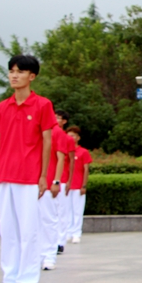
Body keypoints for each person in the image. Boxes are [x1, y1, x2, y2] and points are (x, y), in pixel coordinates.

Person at [0, 55, 57, 283]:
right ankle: (10, 282)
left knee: (28, 231)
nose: (14, 75)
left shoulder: (42, 105)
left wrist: (42, 176)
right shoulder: (2, 107)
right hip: (4, 176)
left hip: (28, 177)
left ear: (32, 76)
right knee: (8, 231)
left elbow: (47, 141)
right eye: (11, 71)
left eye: (20, 71)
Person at [38, 114, 69, 271]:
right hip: (32, 182)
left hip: (49, 181)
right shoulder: (37, 130)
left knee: (48, 219)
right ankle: (38, 255)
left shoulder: (57, 133)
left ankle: (49, 256)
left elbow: (61, 158)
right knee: (35, 220)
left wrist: (56, 181)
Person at [65, 127, 92, 244]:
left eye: (73, 136)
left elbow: (86, 170)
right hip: (66, 186)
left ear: (78, 138)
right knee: (66, 211)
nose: (71, 138)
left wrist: (84, 185)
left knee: (77, 211)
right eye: (69, 135)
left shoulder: (83, 152)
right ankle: (67, 232)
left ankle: (76, 233)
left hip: (78, 186)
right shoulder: (65, 151)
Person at [54, 110, 75, 254]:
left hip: (61, 179)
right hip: (48, 179)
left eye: (58, 118)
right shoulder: (47, 134)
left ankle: (60, 241)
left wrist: (69, 180)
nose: (55, 119)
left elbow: (71, 160)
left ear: (64, 121)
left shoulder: (67, 139)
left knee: (61, 211)